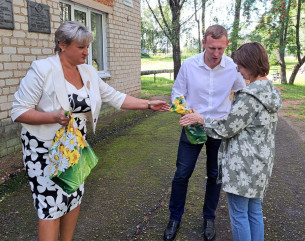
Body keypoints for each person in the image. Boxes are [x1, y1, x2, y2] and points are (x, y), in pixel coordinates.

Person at [11, 21, 170, 241]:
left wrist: (147, 104)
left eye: (88, 47)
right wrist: (52, 117)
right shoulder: (42, 69)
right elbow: (18, 111)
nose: (87, 52)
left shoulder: (87, 71)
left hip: (75, 146)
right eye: (81, 47)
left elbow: (115, 97)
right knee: (50, 206)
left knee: (73, 197)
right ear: (62, 45)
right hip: (44, 150)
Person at [179, 42, 282, 241]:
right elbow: (241, 123)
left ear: (250, 64)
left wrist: (201, 119)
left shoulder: (248, 96)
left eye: (240, 66)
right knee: (254, 211)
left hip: (243, 165)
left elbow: (227, 128)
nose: (238, 70)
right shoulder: (271, 92)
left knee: (239, 214)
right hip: (262, 162)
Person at [163, 24, 245, 241]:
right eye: (212, 49)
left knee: (215, 176)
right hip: (193, 128)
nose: (216, 54)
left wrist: (234, 116)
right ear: (204, 44)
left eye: (220, 48)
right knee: (182, 174)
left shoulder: (233, 67)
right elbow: (177, 95)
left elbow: (242, 93)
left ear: (227, 44)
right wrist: (186, 110)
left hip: (219, 130)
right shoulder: (189, 65)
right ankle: (174, 218)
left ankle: (209, 218)